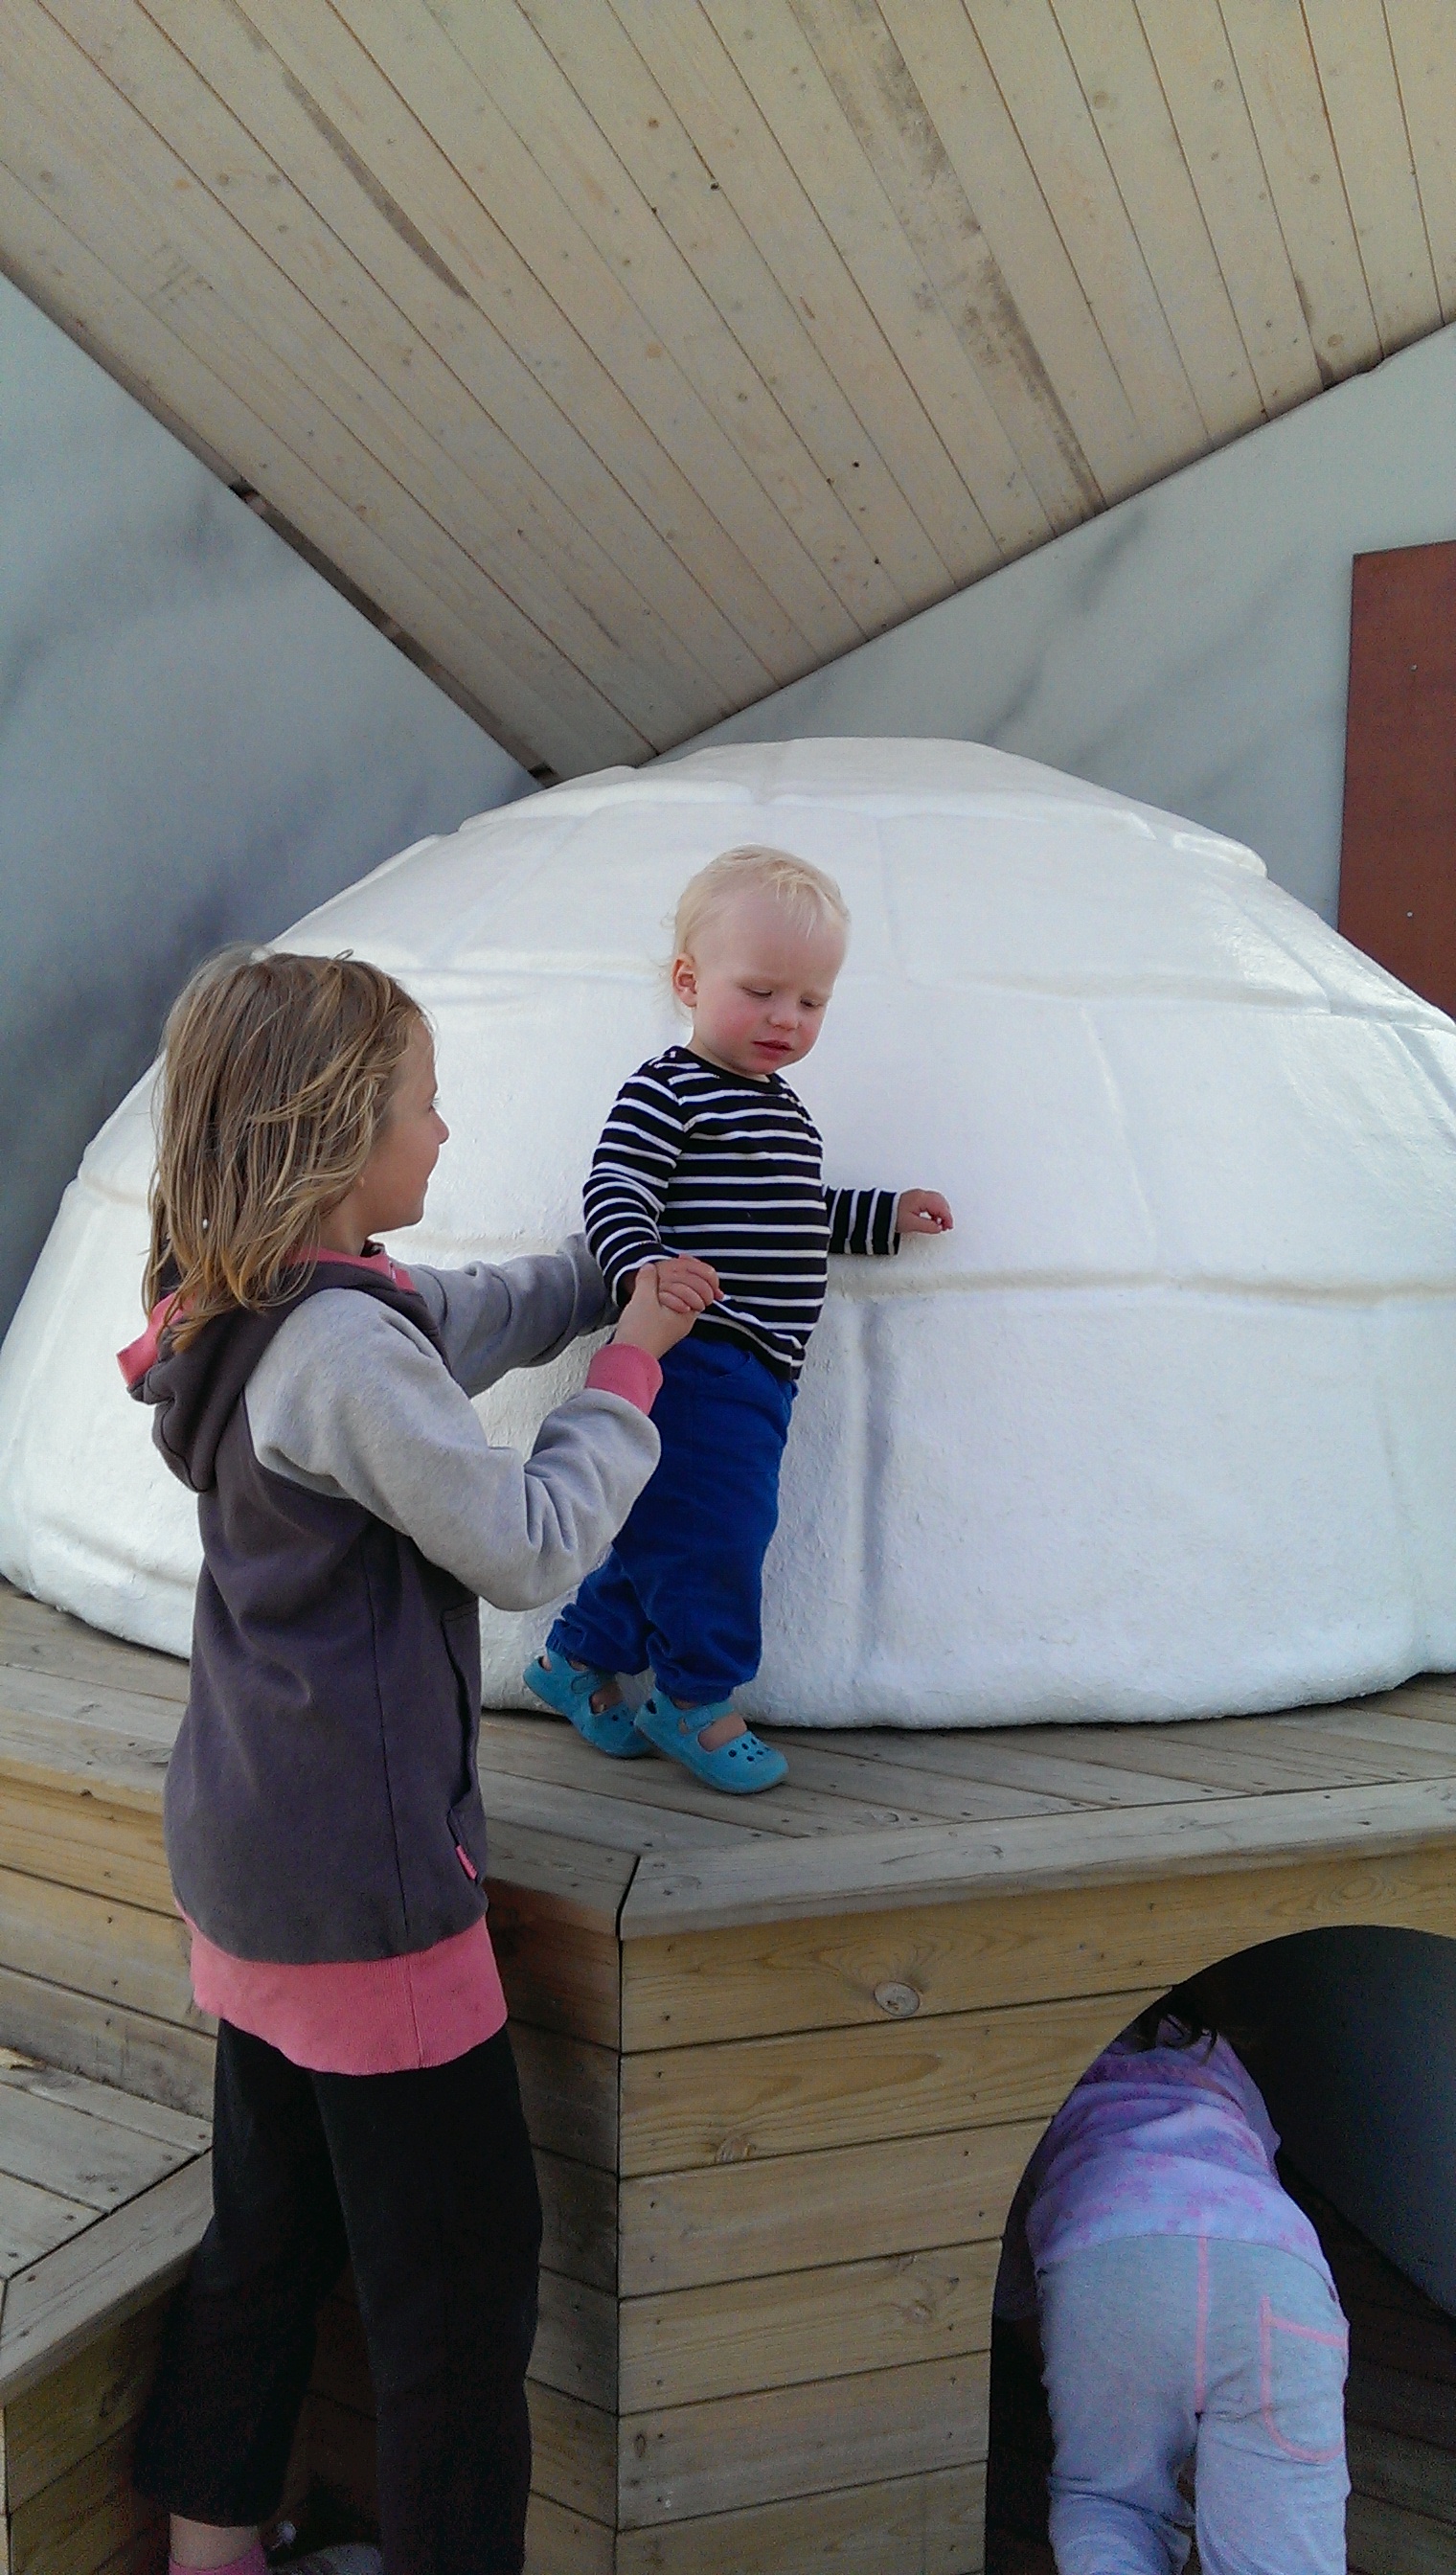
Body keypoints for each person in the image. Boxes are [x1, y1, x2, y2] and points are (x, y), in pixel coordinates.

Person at [122, 948, 712, 2575]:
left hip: (250, 1863)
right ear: (337, 1136)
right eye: (423, 1107)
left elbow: (452, 1314)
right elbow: (524, 1542)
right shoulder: (343, 1355)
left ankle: (210, 2550)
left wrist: (595, 1275)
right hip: (368, 1900)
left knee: (269, 2232)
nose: (446, 1131)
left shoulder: (246, 1304)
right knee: (458, 2297)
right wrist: (632, 1369)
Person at [524, 844, 953, 1793]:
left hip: (760, 1375)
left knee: (666, 1526)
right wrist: (643, 1266)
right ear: (689, 981)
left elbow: (798, 1213)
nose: (785, 1018)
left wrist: (883, 1215)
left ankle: (575, 1657)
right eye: (760, 992)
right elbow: (615, 1187)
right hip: (696, 1359)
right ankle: (696, 1699)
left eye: (811, 1001)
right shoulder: (668, 1088)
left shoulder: (783, 1110)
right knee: (718, 1536)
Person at [994, 1978, 1350, 2575]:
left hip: (1109, 2252)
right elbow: (1260, 2153)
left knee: (1113, 2501)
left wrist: (1071, 2372)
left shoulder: (1032, 2067)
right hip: (1276, 2262)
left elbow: (1008, 2271)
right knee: (1283, 2542)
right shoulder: (1206, 2047)